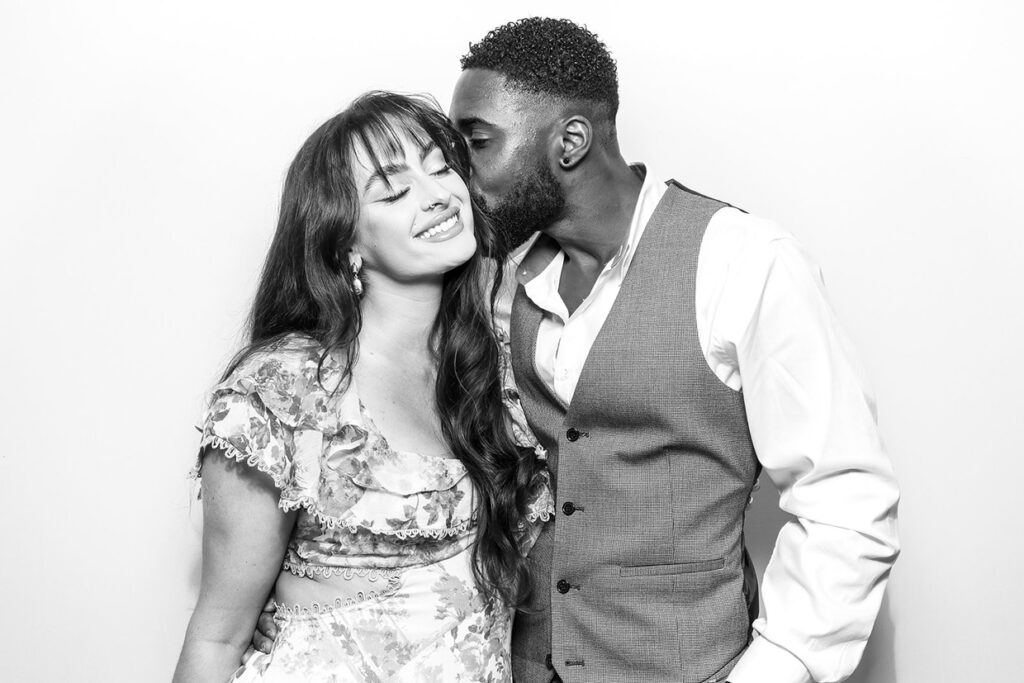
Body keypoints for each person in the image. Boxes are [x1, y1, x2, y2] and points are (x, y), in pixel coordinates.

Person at [446, 18, 901, 683]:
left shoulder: (742, 261)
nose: (458, 174)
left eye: (477, 143)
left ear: (569, 141)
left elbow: (847, 492)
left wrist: (777, 669)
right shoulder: (499, 277)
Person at [173, 91, 552, 682]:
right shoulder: (287, 390)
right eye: (395, 191)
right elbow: (218, 634)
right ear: (344, 239)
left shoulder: (490, 365)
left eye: (441, 166)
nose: (436, 197)